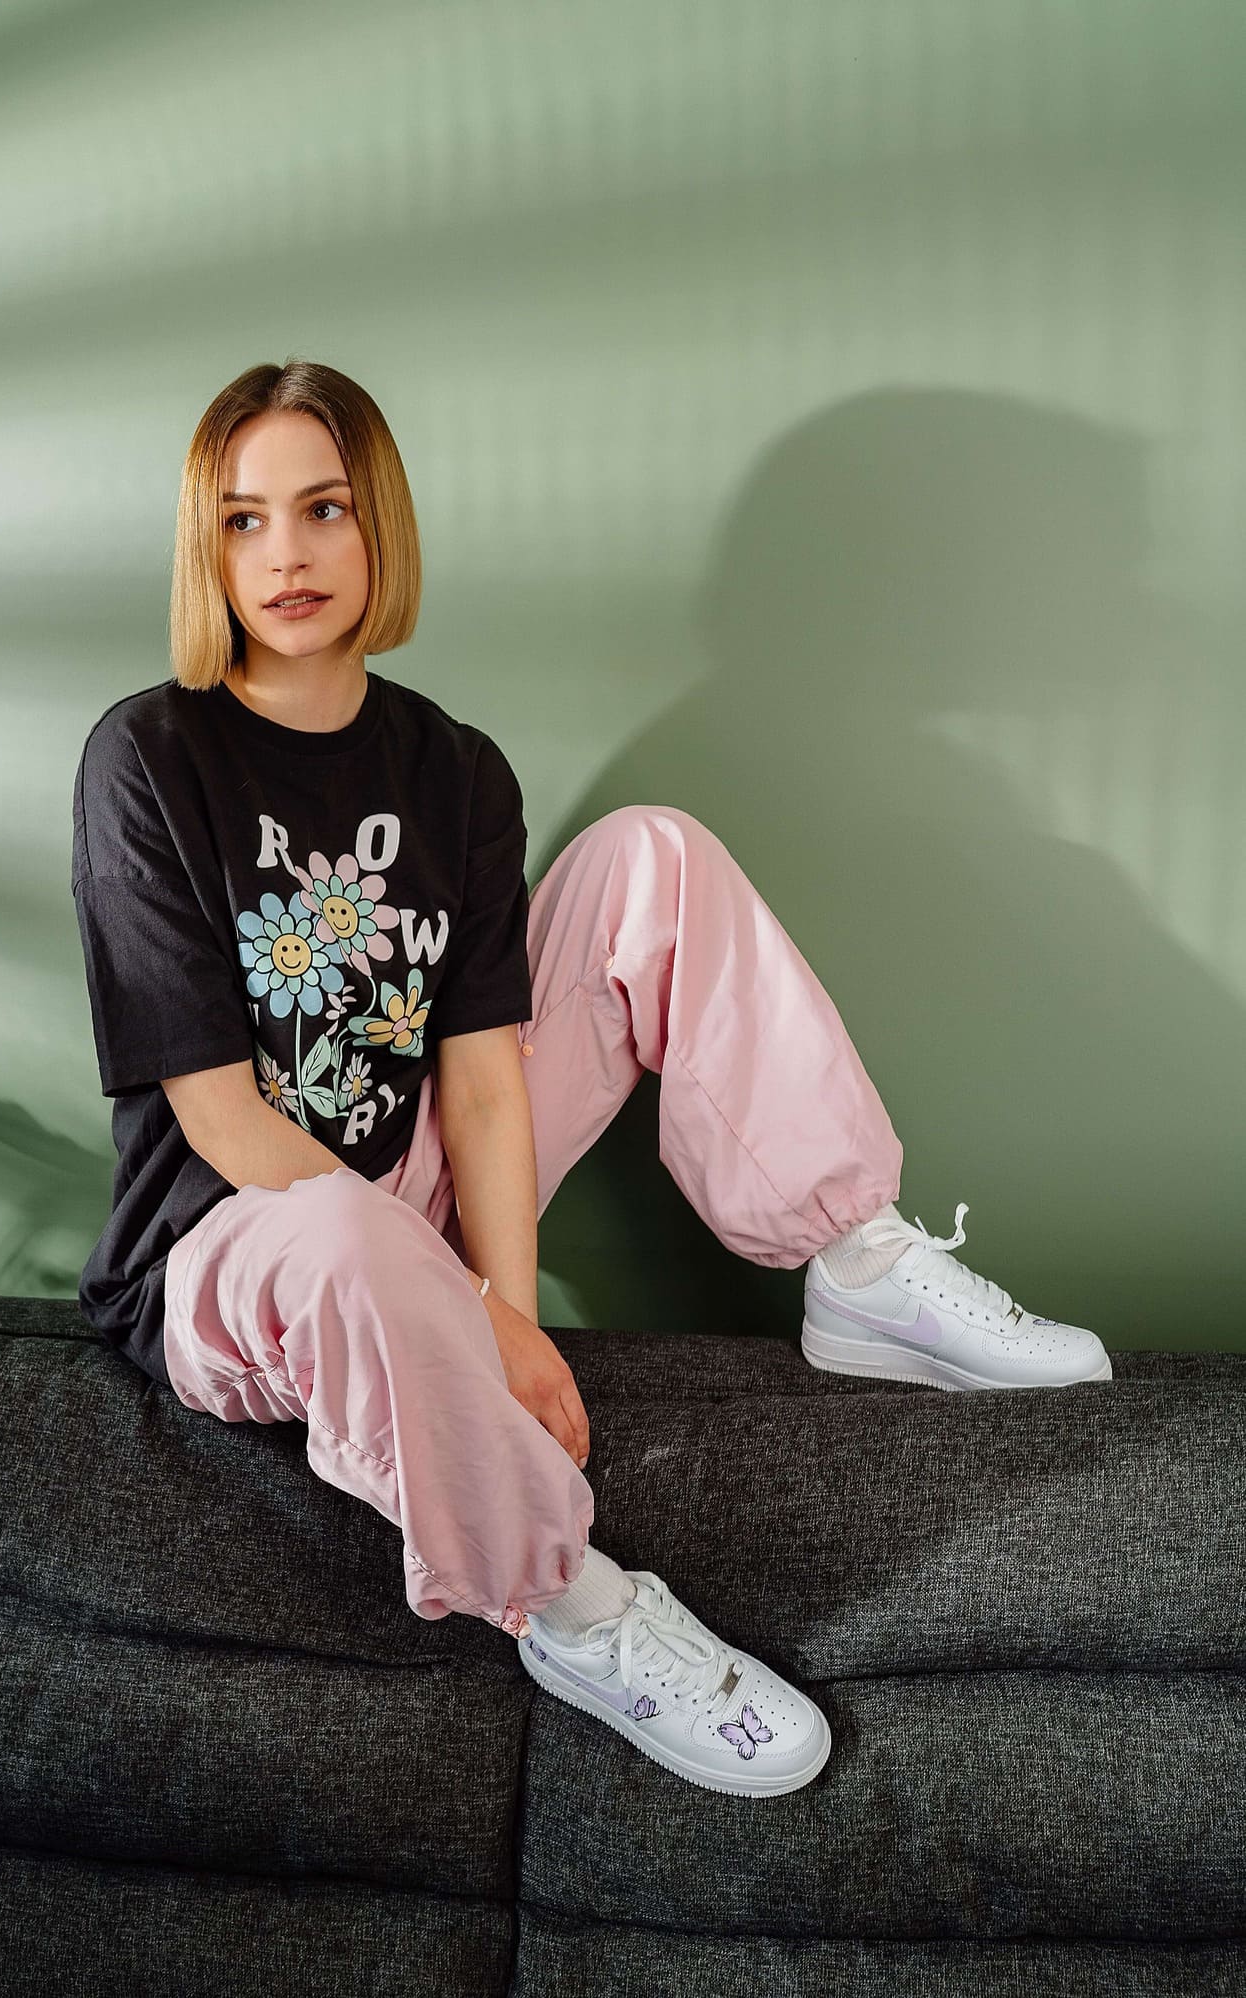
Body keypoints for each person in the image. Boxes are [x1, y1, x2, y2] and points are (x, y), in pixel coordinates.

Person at [70, 359, 1112, 1799]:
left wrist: (498, 1298)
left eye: (322, 508)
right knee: (336, 1230)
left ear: (380, 523)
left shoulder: (455, 771)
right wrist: (466, 1321)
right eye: (243, 521)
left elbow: (486, 1084)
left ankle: (854, 1260)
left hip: (409, 1197)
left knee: (651, 854)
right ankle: (573, 1608)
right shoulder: (150, 755)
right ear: (208, 547)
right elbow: (219, 1116)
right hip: (233, 1253)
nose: (288, 555)